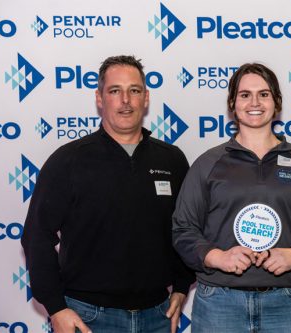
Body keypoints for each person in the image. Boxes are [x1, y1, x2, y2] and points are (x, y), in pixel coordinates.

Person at [21, 55, 194, 333]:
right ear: (100, 98)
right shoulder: (68, 161)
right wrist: (56, 308)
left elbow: (187, 229)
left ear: (146, 97)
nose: (125, 100)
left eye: (134, 90)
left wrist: (183, 285)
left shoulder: (171, 160)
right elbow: (36, 236)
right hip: (88, 318)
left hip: (158, 315)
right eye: (115, 91)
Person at [172, 63, 291, 333]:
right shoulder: (208, 163)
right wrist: (216, 257)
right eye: (245, 95)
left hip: (289, 303)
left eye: (264, 94)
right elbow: (183, 229)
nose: (255, 102)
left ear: (277, 102)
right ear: (233, 103)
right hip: (219, 304)